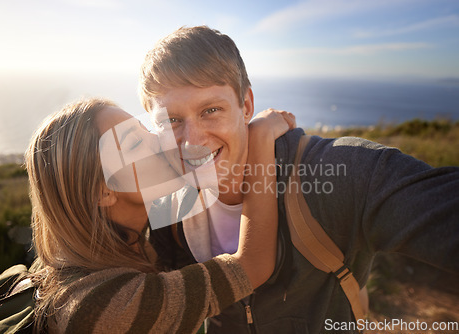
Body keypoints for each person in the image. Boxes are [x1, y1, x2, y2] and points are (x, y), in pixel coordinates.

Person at [140, 26, 459, 333]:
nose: (192, 140)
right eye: (171, 121)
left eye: (211, 110)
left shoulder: (338, 172)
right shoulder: (164, 210)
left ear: (246, 105)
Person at [24, 97, 296, 333]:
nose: (161, 138)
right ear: (102, 192)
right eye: (134, 143)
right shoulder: (104, 308)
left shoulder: (101, 250)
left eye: (146, 129)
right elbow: (252, 265)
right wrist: (260, 136)